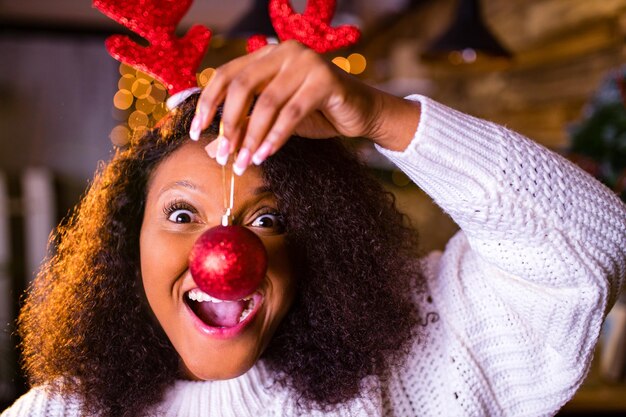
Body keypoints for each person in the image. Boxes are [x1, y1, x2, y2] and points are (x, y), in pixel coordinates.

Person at [2, 41, 625, 417]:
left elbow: (587, 246)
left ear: (314, 245)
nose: (227, 250)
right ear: (126, 244)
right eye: (181, 215)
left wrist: (382, 115)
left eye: (268, 219)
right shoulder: (60, 412)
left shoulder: (418, 362)